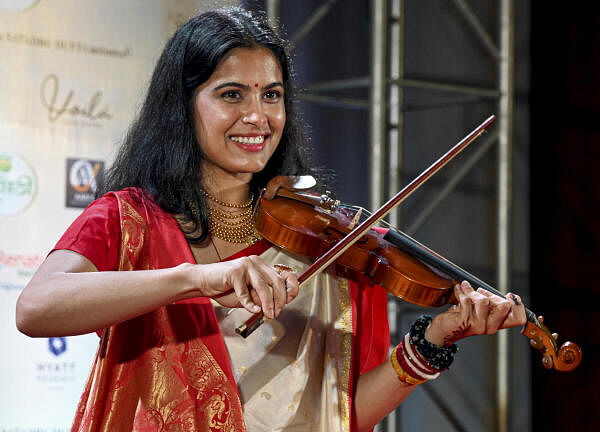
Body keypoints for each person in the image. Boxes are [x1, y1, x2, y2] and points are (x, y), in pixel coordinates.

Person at [15, 7, 526, 432]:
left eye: (272, 94)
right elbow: (37, 308)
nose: (258, 117)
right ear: (182, 106)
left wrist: (435, 339)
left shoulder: (326, 245)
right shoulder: (131, 219)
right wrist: (195, 279)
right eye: (231, 94)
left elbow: (340, 416)